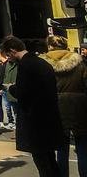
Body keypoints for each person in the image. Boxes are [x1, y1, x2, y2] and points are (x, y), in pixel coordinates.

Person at [1, 35, 65, 177]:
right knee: (50, 160)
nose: (8, 59)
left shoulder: (25, 65)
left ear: (12, 50)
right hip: (48, 118)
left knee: (43, 163)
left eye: (7, 55)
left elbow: (23, 92)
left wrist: (11, 88)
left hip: (35, 121)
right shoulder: (42, 63)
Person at [42, 35, 87, 177]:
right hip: (79, 106)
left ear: (50, 46)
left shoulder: (43, 64)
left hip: (55, 107)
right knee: (83, 147)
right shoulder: (79, 62)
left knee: (61, 148)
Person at [0, 50, 18, 130]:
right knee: (7, 107)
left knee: (15, 108)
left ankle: (17, 123)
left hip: (13, 89)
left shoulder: (14, 64)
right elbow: (1, 78)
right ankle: (11, 121)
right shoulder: (2, 65)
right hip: (5, 88)